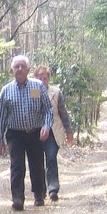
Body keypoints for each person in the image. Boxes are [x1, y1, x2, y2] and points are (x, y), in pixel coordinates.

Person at [0, 55, 53, 211]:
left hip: (35, 133)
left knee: (37, 165)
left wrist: (46, 126)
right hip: (15, 134)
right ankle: (18, 198)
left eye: (22, 66)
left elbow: (47, 109)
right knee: (17, 167)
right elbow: (0, 117)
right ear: (12, 70)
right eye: (16, 67)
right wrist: (0, 138)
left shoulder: (37, 86)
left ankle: (39, 195)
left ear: (28, 69)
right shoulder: (6, 90)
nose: (19, 69)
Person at [33, 66, 74, 202]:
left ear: (49, 79)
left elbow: (63, 113)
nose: (42, 81)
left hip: (53, 132)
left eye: (45, 78)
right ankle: (40, 191)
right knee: (38, 161)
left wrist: (68, 132)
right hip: (36, 132)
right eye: (40, 78)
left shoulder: (56, 92)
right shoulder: (33, 91)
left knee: (51, 158)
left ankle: (53, 188)